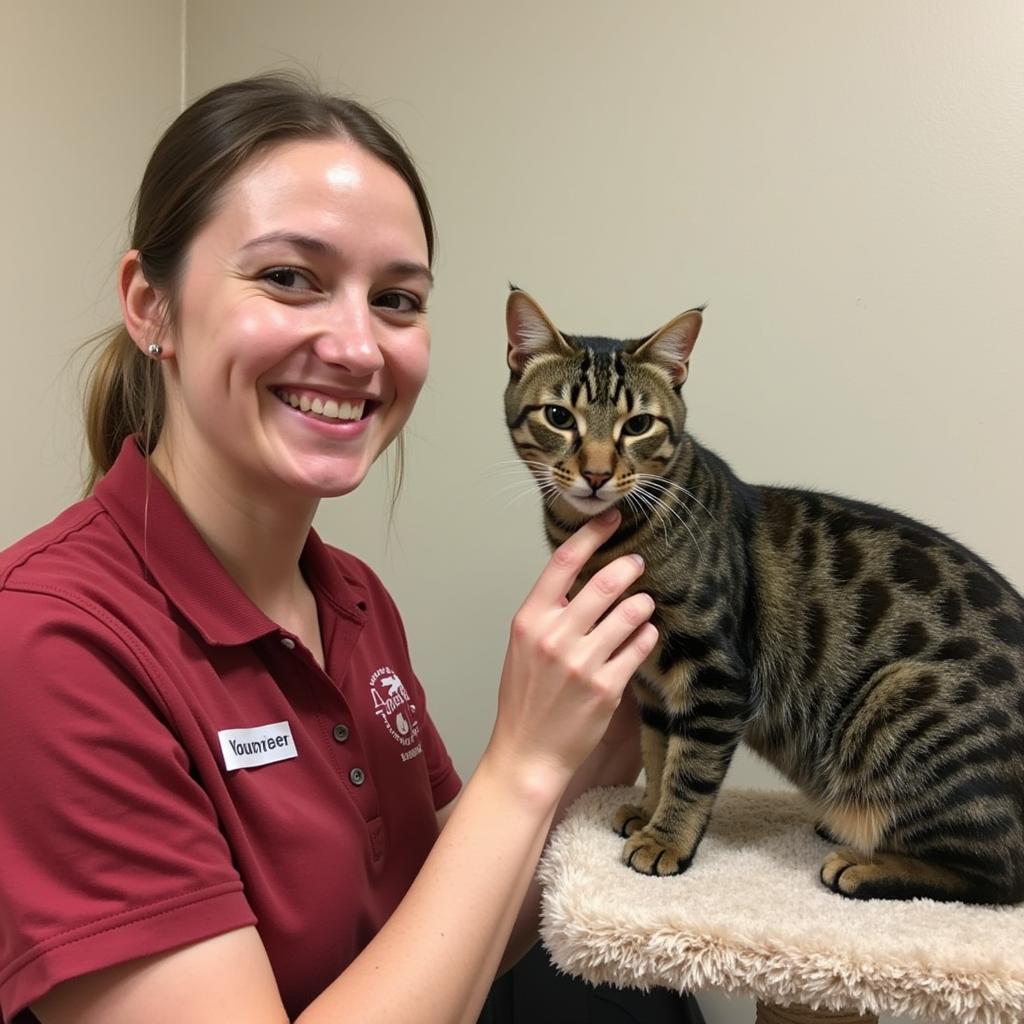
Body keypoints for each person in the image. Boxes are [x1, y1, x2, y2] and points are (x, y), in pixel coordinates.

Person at [0, 74, 657, 1024]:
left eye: (397, 298)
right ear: (150, 305)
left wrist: (598, 748)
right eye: (289, 278)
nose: (358, 347)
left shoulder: (352, 599)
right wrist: (518, 763)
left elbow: (451, 952)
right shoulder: (48, 648)